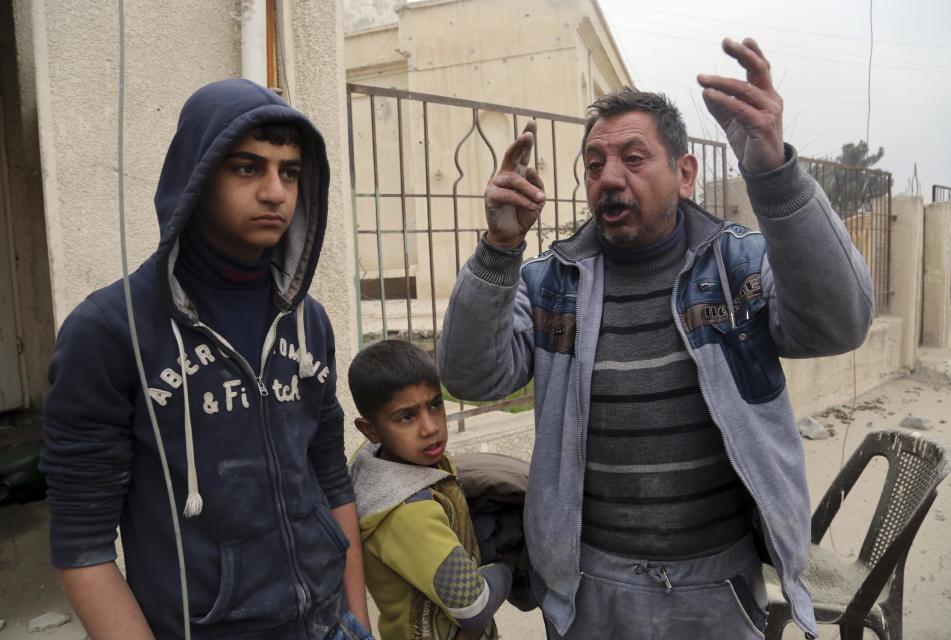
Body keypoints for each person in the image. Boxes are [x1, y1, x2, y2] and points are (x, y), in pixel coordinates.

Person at [437, 38, 874, 640]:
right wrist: (499, 251)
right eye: (594, 165)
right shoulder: (551, 282)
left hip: (718, 586)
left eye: (634, 159)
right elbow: (470, 376)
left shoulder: (735, 266)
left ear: (685, 173)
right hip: (592, 586)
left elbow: (839, 322)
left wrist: (774, 176)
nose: (609, 178)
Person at [40, 79, 372, 639]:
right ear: (196, 175)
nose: (275, 193)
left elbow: (331, 478)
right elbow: (81, 544)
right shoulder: (107, 332)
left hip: (328, 625)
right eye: (248, 168)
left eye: (289, 172)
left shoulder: (307, 319)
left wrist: (357, 620)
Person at [347, 339, 513, 640]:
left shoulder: (406, 462)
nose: (430, 427)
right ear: (370, 430)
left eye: (435, 405)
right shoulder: (408, 511)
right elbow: (473, 605)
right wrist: (507, 572)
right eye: (407, 417)